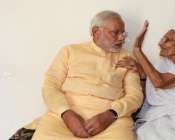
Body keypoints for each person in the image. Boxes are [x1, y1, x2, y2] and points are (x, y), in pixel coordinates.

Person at [10, 10, 143, 140]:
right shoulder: (70, 51)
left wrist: (112, 114)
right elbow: (50, 86)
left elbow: (135, 96)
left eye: (123, 33)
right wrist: (66, 114)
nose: (122, 37)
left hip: (112, 121)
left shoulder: (128, 58)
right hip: (64, 118)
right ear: (96, 31)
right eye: (115, 32)